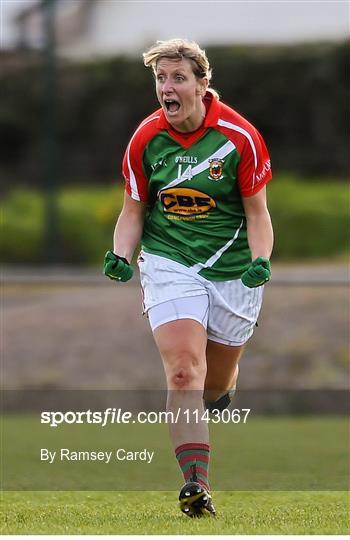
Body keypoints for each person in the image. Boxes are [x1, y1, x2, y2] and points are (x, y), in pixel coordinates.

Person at [103, 38, 273, 517]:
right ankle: (196, 487)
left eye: (178, 78)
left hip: (233, 268)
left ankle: (218, 395)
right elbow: (133, 209)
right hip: (169, 259)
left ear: (202, 83)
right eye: (160, 79)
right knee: (183, 371)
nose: (167, 88)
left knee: (214, 384)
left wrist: (260, 258)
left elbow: (258, 213)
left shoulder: (239, 136)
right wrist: (121, 252)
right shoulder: (146, 138)